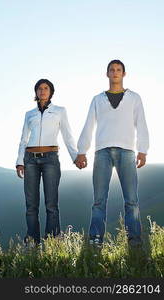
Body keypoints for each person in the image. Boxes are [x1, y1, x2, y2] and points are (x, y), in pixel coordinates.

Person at [75, 60, 149, 247]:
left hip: (127, 152)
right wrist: (82, 151)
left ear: (124, 74)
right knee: (99, 200)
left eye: (118, 70)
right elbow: (89, 124)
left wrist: (143, 150)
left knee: (131, 200)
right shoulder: (98, 99)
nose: (115, 73)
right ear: (107, 74)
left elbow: (141, 123)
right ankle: (95, 240)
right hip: (102, 152)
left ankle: (135, 241)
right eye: (111, 70)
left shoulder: (134, 98)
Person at [16, 79, 77, 245]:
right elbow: (23, 139)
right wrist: (19, 161)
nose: (42, 91)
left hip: (50, 158)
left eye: (46, 88)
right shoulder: (29, 114)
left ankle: (52, 243)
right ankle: (32, 243)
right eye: (39, 88)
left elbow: (67, 135)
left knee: (51, 204)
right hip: (30, 160)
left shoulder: (59, 111)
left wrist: (75, 156)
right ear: (36, 92)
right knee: (31, 206)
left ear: (51, 92)